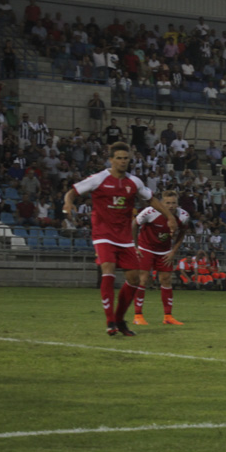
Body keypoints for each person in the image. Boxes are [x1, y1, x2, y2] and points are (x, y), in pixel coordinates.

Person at [63, 142, 177, 336]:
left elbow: (152, 200)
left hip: (124, 237)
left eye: (126, 158)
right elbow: (73, 191)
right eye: (119, 158)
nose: (123, 161)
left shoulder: (134, 182)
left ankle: (119, 319)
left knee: (134, 278)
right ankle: (110, 322)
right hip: (103, 234)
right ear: (111, 160)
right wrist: (67, 203)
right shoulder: (99, 178)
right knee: (108, 269)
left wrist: (170, 217)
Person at [132, 190, 189, 326]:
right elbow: (134, 224)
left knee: (166, 280)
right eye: (167, 203)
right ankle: (138, 315)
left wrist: (173, 251)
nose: (170, 206)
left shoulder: (183, 216)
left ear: (177, 204)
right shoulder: (150, 212)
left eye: (173, 203)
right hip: (146, 248)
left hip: (164, 251)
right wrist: (135, 246)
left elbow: (182, 233)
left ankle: (168, 316)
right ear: (162, 203)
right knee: (143, 279)